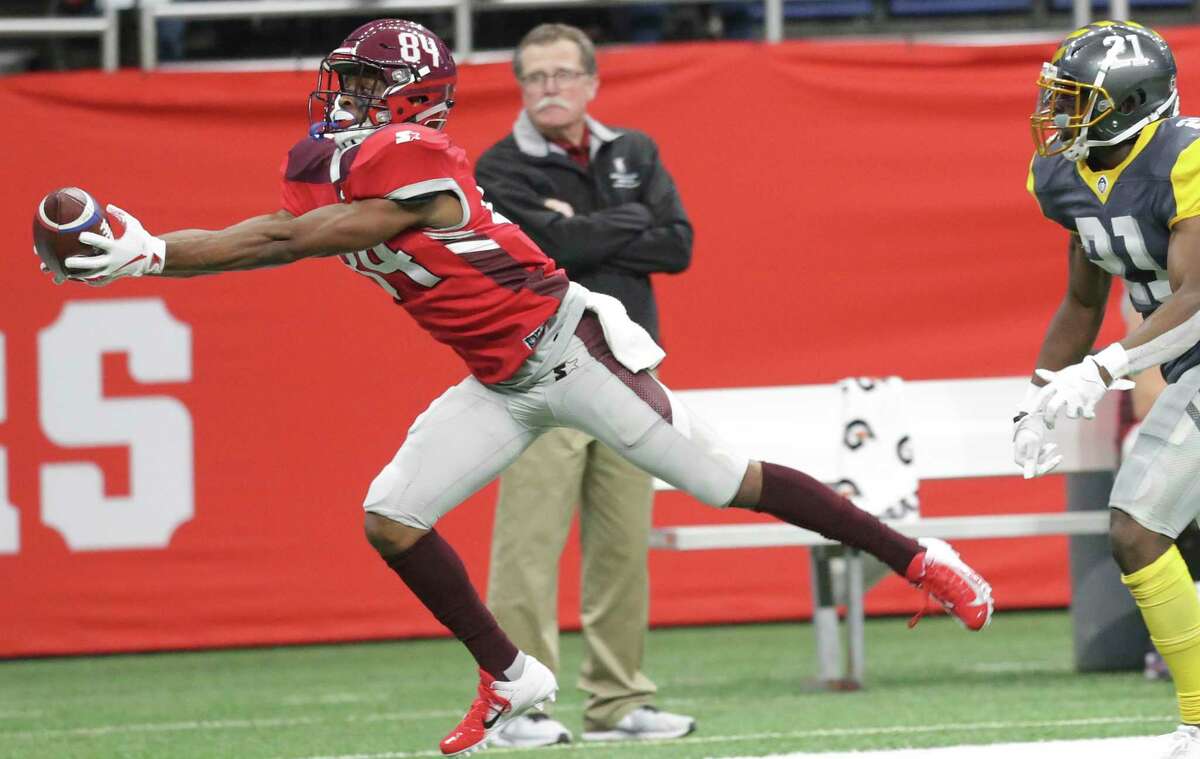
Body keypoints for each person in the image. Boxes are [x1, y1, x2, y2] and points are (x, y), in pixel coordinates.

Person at [55, 18, 993, 758]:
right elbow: (278, 223)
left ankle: (918, 557)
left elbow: (289, 240)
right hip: (500, 380)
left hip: (572, 355)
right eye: (343, 80)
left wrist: (151, 254)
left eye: (365, 85)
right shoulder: (336, 162)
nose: (343, 96)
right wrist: (151, 253)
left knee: (725, 481)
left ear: (412, 98)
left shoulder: (422, 166)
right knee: (391, 516)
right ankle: (511, 677)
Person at [473, 22, 694, 747]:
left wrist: (584, 227)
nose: (550, 90)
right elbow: (549, 250)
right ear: (521, 86)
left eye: (564, 75)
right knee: (528, 546)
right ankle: (517, 706)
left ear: (592, 83)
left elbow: (678, 244)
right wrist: (612, 228)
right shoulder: (499, 167)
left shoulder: (635, 150)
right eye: (535, 78)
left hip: (630, 372)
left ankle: (618, 701)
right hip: (543, 372)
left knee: (622, 543)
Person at [1018, 20, 1200, 758]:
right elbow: (1083, 301)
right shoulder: (1065, 177)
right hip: (1188, 363)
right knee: (1136, 528)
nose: (1059, 116)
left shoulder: (1185, 158)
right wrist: (1035, 397)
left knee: (1136, 524)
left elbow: (1196, 293)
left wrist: (1102, 369)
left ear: (1131, 104)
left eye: (1077, 101)